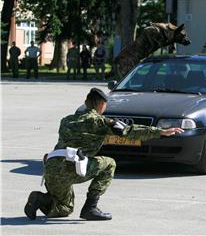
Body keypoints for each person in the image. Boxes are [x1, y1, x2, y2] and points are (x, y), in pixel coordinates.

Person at [24, 88, 184, 221]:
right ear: (101, 105)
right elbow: (129, 132)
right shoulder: (99, 121)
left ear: (86, 101)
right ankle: (90, 208)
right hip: (69, 168)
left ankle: (41, 199)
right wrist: (161, 132)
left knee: (64, 209)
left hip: (51, 168)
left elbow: (79, 138)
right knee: (109, 163)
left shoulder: (66, 120)